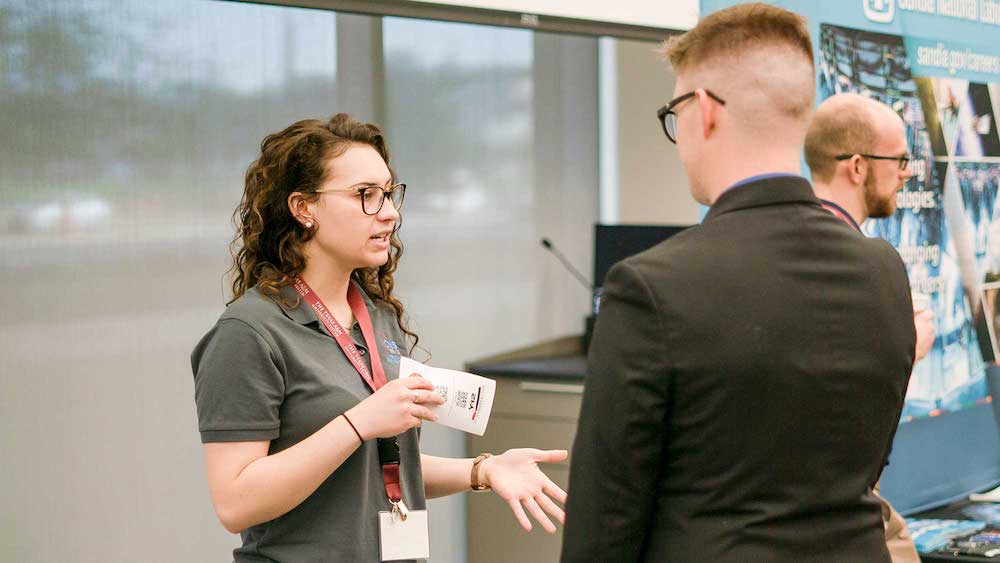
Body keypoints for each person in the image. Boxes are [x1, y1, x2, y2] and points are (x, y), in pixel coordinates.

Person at [561, 4, 916, 562]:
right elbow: (865, 469)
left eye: (674, 114)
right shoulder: (884, 272)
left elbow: (602, 525)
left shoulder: (650, 288)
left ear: (703, 112)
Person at [191, 113, 567, 562]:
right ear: (303, 208)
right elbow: (235, 503)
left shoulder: (374, 315)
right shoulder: (250, 332)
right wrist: (357, 422)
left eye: (389, 193)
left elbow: (372, 467)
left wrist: (482, 470)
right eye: (365, 195)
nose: (389, 212)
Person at [805, 93, 936, 563]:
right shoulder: (867, 266)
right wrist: (904, 345)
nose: (906, 171)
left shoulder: (816, 253)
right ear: (857, 167)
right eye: (899, 159)